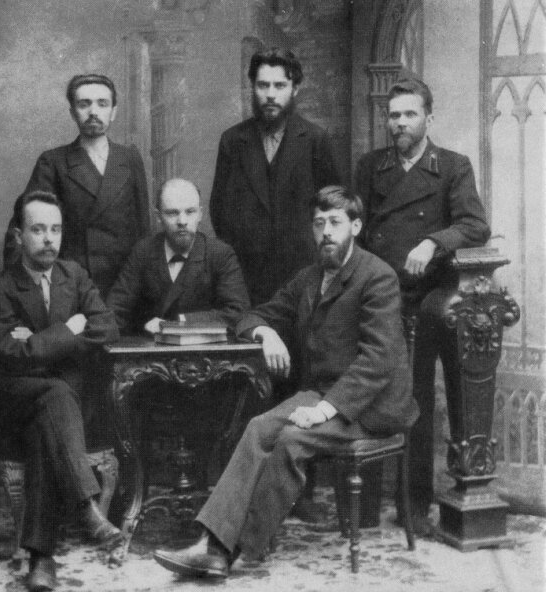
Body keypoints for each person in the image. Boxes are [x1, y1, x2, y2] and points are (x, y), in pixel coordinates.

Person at [152, 186, 418, 579]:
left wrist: (323, 411)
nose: (326, 232)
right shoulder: (309, 278)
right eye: (319, 223)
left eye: (335, 222)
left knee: (292, 440)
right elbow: (251, 315)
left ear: (356, 227)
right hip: (323, 394)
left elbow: (376, 362)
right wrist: (265, 333)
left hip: (371, 407)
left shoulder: (377, 277)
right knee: (259, 427)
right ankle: (211, 542)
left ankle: (233, 549)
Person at [355, 78, 490, 535]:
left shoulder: (452, 167)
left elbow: (474, 225)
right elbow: (357, 228)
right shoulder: (371, 167)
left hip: (425, 299)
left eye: (409, 114)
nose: (400, 123)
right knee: (369, 392)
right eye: (393, 115)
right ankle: (364, 508)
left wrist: (432, 242)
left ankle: (413, 506)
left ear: (428, 118)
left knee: (416, 400)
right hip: (378, 298)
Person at [0, 191, 123, 592]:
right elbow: (9, 354)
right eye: (38, 229)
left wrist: (38, 342)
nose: (49, 239)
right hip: (15, 402)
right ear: (19, 235)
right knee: (54, 396)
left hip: (60, 409)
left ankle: (41, 560)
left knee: (47, 422)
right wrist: (69, 330)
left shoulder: (74, 275)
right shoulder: (0, 288)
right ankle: (86, 506)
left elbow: (107, 327)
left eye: (56, 230)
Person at [209, 48, 340, 306]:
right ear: (252, 88)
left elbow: (333, 208)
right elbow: (219, 210)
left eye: (279, 85)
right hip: (245, 278)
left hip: (302, 275)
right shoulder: (232, 141)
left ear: (295, 89)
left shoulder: (316, 140)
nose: (270, 94)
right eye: (263, 85)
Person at [3, 73, 150, 299]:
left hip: (125, 287)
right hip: (71, 288)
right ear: (73, 112)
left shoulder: (129, 159)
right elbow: (22, 228)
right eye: (84, 104)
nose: (93, 112)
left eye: (102, 104)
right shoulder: (53, 162)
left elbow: (144, 231)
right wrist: (25, 291)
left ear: (113, 112)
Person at [106, 178, 249, 335]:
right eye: (172, 213)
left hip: (205, 348)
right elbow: (116, 309)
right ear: (158, 216)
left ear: (200, 214)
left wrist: (179, 322)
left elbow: (238, 312)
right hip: (150, 346)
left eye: (190, 212)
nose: (182, 221)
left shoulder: (220, 253)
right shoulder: (143, 252)